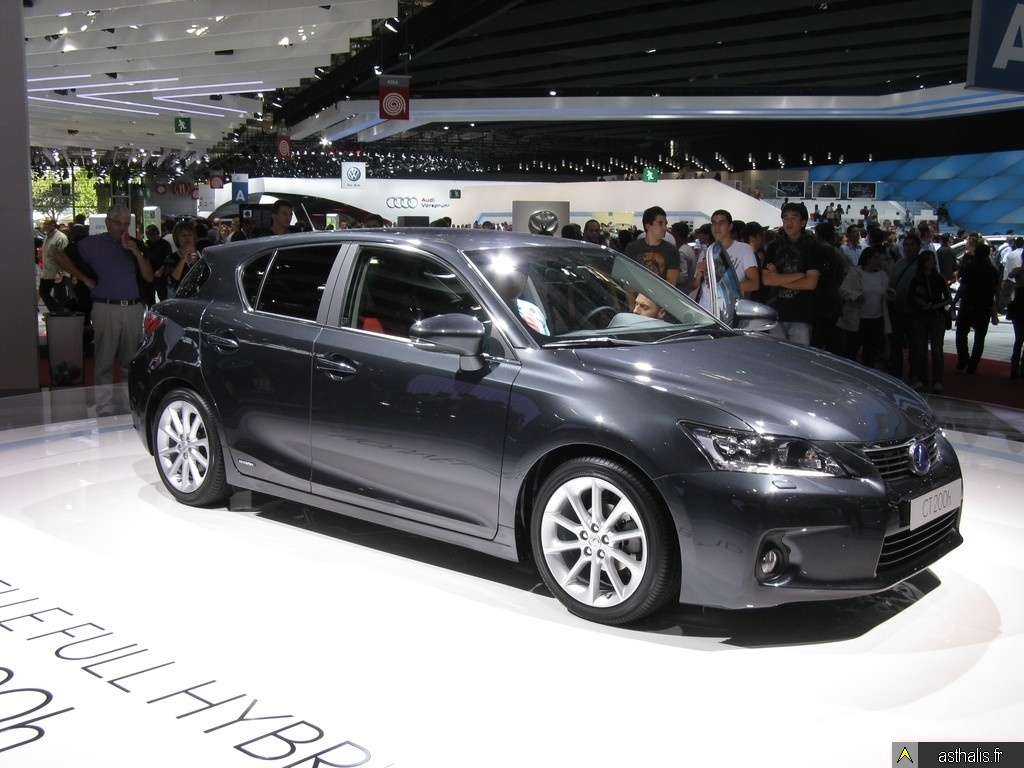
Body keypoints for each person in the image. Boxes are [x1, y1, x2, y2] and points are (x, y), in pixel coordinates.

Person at [55, 205, 154, 416]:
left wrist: (137, 254)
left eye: (126, 224)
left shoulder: (134, 245)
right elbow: (60, 256)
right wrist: (84, 279)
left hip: (133, 307)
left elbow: (148, 277)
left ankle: (128, 403)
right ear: (108, 223)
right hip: (105, 306)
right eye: (118, 223)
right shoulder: (91, 244)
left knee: (130, 361)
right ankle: (104, 406)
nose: (122, 228)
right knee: (104, 361)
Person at [762, 202, 824, 345]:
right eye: (785, 218)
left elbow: (810, 283)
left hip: (801, 313)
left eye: (793, 218)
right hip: (775, 311)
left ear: (803, 222)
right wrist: (799, 275)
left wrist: (778, 278)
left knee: (798, 355)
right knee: (776, 354)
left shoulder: (812, 247)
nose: (789, 222)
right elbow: (767, 280)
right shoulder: (773, 247)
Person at [837, 246, 891, 368]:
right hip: (858, 319)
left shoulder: (882, 275)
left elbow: (884, 292)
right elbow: (842, 290)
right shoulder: (855, 273)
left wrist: (889, 294)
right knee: (851, 350)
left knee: (870, 353)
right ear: (868, 259)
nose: (878, 261)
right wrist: (855, 296)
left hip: (875, 319)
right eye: (875, 258)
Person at [907, 249, 951, 393]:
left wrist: (933, 306)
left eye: (932, 260)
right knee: (921, 350)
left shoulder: (939, 279)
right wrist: (920, 305)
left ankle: (937, 380)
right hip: (921, 317)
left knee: (937, 350)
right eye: (928, 260)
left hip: (937, 316)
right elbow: (910, 298)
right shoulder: (915, 280)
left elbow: (947, 298)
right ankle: (922, 379)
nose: (931, 262)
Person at [954, 241, 1001, 375]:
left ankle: (963, 358)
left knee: (961, 333)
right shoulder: (992, 270)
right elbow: (995, 289)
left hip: (967, 303)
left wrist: (954, 302)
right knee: (980, 337)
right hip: (984, 305)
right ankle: (973, 364)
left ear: (975, 253)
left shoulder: (969, 267)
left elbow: (963, 286)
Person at [625, 206, 680, 286]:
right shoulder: (632, 248)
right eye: (660, 223)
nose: (665, 228)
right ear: (648, 226)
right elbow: (628, 277)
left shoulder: (672, 251)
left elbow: (671, 283)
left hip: (660, 294)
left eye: (665, 224)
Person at [38, 217, 69, 314]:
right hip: (47, 272)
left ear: (53, 225)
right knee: (43, 292)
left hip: (57, 272)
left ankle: (59, 313)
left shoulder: (60, 238)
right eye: (44, 225)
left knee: (60, 296)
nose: (44, 227)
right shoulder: (47, 237)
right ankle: (56, 312)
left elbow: (64, 256)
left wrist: (59, 272)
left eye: (46, 225)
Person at [167, 220, 202, 296]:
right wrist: (183, 259)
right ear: (177, 238)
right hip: (179, 299)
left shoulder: (202, 256)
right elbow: (172, 281)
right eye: (183, 235)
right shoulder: (170, 258)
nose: (187, 238)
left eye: (190, 235)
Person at [143, 223, 172, 304]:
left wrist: (161, 270)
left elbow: (168, 260)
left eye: (150, 235)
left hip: (161, 276)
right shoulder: (147, 245)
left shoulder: (165, 244)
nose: (149, 238)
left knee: (163, 297)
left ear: (155, 234)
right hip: (150, 274)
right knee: (150, 298)